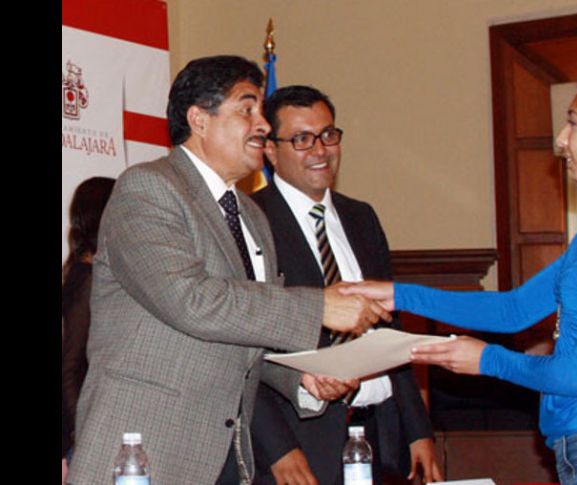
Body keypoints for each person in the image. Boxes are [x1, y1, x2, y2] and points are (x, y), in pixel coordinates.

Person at [344, 65, 577, 485]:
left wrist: (487, 360)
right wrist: (399, 295)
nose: (560, 140)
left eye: (573, 123)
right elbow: (514, 310)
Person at [66, 56, 388, 485]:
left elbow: (242, 339)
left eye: (261, 112)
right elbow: (191, 301)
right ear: (199, 119)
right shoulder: (147, 189)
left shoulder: (251, 216)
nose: (263, 125)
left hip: (228, 454)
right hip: (147, 450)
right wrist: (318, 308)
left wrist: (302, 379)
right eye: (247, 109)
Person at [249, 85, 442, 485]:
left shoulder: (361, 217)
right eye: (302, 139)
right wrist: (277, 448)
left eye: (328, 134)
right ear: (270, 150)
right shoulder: (251, 220)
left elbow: (390, 327)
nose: (320, 150)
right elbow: (242, 350)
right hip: (300, 442)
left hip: (379, 435)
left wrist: (417, 430)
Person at [61, 176, 115, 476]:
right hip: (87, 432)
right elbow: (71, 364)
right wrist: (82, 434)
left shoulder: (89, 273)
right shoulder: (87, 278)